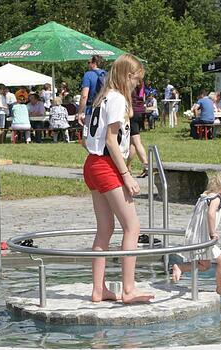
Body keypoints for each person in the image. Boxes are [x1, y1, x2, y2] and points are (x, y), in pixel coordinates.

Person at [83, 53, 153, 304]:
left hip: (92, 163)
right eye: (136, 79)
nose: (137, 85)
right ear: (126, 76)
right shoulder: (118, 99)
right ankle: (128, 289)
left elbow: (86, 140)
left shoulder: (101, 98)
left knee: (105, 229)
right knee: (132, 226)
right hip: (105, 165)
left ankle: (99, 289)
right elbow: (112, 140)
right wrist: (126, 174)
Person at [171, 171, 221, 299]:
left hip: (196, 235)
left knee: (205, 265)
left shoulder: (206, 196)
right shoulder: (216, 198)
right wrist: (212, 232)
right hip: (204, 237)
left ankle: (180, 267)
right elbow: (211, 214)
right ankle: (220, 288)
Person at [77, 55, 107, 138]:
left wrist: (80, 112)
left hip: (91, 109)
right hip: (105, 109)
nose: (88, 65)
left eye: (89, 62)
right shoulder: (107, 74)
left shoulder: (88, 75)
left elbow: (84, 95)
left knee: (86, 138)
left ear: (94, 63)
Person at [129, 81, 149, 177]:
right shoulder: (141, 83)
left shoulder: (130, 83)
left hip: (133, 112)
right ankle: (127, 167)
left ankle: (146, 165)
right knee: (132, 142)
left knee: (136, 142)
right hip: (141, 112)